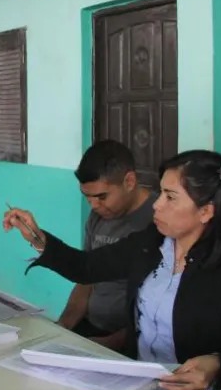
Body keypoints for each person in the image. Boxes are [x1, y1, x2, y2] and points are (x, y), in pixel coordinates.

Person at [4, 150, 221, 390]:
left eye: (170, 197)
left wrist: (217, 366)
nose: (157, 205)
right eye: (160, 193)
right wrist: (36, 237)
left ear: (206, 211)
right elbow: (87, 267)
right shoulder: (151, 244)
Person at [56, 140, 155, 350]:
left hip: (134, 341)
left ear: (129, 182)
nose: (94, 206)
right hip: (92, 329)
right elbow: (86, 280)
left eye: (102, 196)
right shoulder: (97, 217)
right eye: (87, 198)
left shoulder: (158, 220)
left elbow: (159, 305)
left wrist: (111, 344)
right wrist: (62, 326)